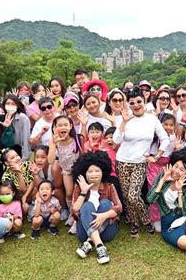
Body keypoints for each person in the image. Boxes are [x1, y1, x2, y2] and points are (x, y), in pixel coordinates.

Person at [113, 87, 170, 237]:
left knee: (133, 195)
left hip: (140, 163)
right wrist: (124, 122)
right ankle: (134, 223)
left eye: (139, 101)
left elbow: (165, 138)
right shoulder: (124, 118)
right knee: (127, 196)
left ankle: (146, 221)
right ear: (128, 104)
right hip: (122, 162)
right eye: (132, 103)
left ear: (144, 101)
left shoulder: (152, 119)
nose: (136, 105)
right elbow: (115, 140)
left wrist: (156, 156)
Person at [72, 151, 123, 264]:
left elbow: (119, 208)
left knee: (105, 203)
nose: (93, 174)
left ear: (103, 172)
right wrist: (83, 192)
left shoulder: (109, 187)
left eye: (97, 171)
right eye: (90, 171)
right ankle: (100, 246)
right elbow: (75, 211)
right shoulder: (79, 187)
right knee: (87, 205)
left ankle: (90, 242)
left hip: (107, 231)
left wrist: (103, 216)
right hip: (84, 232)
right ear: (84, 173)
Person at [146, 113, 176, 232]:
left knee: (165, 193)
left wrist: (177, 148)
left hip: (166, 168)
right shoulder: (155, 138)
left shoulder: (174, 138)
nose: (168, 127)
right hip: (154, 168)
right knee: (155, 192)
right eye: (165, 125)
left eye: (171, 125)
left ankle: (165, 216)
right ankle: (155, 218)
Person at [48, 115, 82, 219]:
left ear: (71, 126)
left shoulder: (77, 138)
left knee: (79, 192)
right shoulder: (54, 141)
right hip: (66, 171)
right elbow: (50, 160)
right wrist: (53, 144)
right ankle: (72, 213)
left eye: (65, 125)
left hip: (78, 169)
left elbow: (83, 154)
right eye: (60, 125)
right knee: (69, 193)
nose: (63, 127)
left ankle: (79, 212)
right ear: (55, 127)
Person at [2, 94, 32, 161]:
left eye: (13, 104)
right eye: (8, 103)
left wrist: (25, 158)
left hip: (18, 151)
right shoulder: (2, 117)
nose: (10, 106)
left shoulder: (22, 118)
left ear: (17, 105)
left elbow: (26, 138)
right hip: (5, 151)